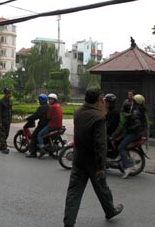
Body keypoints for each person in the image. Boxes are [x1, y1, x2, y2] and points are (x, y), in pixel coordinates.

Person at [63, 87, 123, 227]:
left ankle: (69, 222)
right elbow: (100, 144)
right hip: (93, 161)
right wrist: (101, 166)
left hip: (78, 159)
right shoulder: (99, 117)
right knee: (102, 188)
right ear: (99, 100)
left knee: (74, 192)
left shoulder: (78, 112)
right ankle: (110, 211)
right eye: (101, 99)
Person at [118, 94, 148, 179]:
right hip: (139, 133)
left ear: (136, 102)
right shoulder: (140, 109)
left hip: (134, 134)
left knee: (121, 147)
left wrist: (129, 129)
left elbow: (137, 124)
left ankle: (127, 167)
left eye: (133, 101)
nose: (132, 102)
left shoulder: (136, 111)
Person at [0, 88, 13, 154]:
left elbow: (11, 111)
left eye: (10, 93)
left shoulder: (10, 101)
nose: (9, 95)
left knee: (6, 134)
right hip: (2, 121)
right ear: (5, 94)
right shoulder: (0, 102)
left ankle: (1, 146)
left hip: (8, 120)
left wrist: (11, 119)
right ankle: (4, 148)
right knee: (2, 135)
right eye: (8, 93)